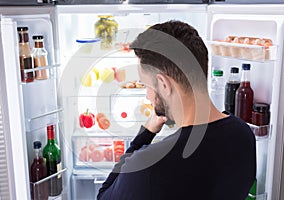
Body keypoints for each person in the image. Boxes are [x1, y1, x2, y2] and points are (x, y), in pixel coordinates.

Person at [97, 20, 256, 200]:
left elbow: (103, 196)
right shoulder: (243, 134)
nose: (148, 96)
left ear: (164, 84)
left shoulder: (147, 166)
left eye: (146, 85)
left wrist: (144, 135)